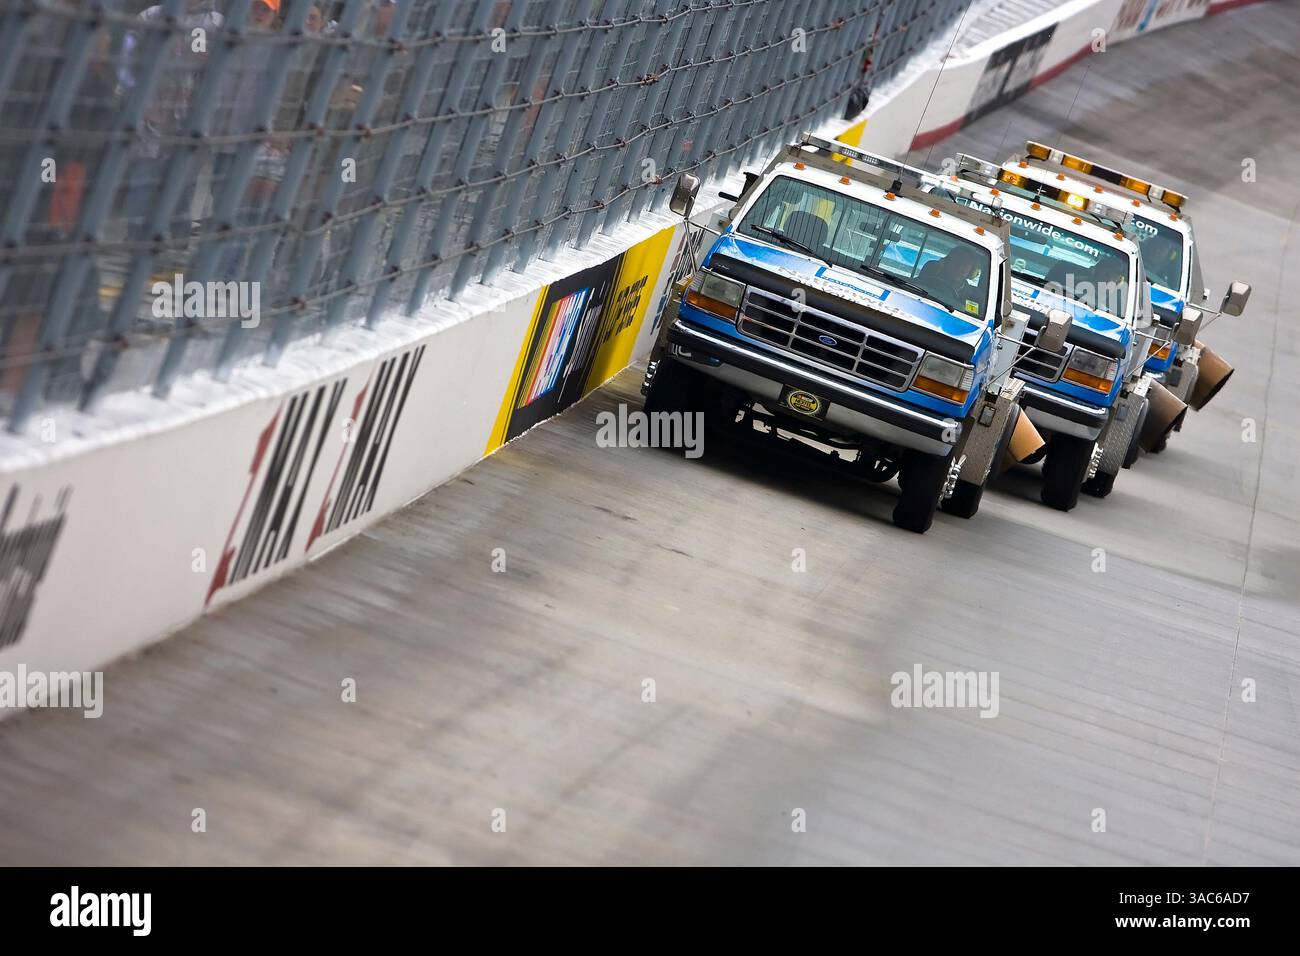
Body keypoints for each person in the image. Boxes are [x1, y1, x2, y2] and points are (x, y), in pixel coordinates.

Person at [916, 245, 982, 312]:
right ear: (947, 262)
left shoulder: (973, 297)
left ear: (971, 271)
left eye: (965, 265)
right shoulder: (927, 281)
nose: (959, 269)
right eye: (956, 263)